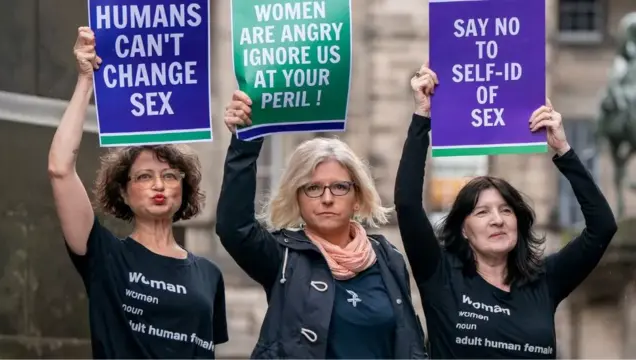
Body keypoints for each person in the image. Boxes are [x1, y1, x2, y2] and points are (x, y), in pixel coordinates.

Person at [394, 62, 618, 359]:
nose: (497, 220)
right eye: (482, 213)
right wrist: (422, 117)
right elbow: (408, 204)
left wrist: (563, 150)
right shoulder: (440, 273)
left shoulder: (545, 279)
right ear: (464, 228)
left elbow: (603, 226)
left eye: (506, 211)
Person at [48, 27, 228, 359]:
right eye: (144, 176)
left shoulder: (209, 274)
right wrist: (85, 81)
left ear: (183, 191)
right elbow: (60, 169)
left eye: (170, 176)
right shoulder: (104, 257)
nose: (159, 185)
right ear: (124, 193)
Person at [216, 90, 428, 359]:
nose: (327, 199)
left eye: (339, 187)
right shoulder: (283, 256)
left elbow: (407, 341)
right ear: (297, 198)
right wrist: (244, 142)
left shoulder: (388, 258)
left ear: (357, 197)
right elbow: (234, 227)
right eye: (313, 188)